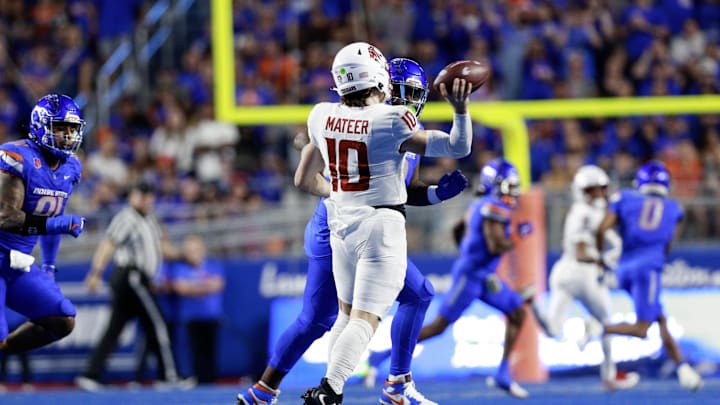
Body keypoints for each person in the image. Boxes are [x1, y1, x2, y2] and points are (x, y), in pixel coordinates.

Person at [238, 57, 468, 405]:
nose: (409, 99)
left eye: (414, 92)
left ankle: (393, 384)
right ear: (381, 86)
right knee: (321, 318)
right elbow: (304, 178)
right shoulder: (365, 119)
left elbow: (407, 188)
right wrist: (349, 193)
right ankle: (274, 389)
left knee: (414, 294)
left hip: (357, 221)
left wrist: (436, 194)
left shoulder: (395, 123)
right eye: (402, 90)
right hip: (338, 223)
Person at [410, 158, 534, 399]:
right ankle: (382, 355)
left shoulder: (482, 204)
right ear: (495, 184)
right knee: (438, 327)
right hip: (470, 276)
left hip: (483, 274)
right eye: (509, 185)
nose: (513, 190)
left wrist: (467, 250)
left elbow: (459, 228)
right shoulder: (493, 207)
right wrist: (519, 235)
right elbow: (496, 245)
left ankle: (503, 374)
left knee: (518, 312)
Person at [528, 164, 639, 390]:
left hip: (564, 272)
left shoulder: (586, 212)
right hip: (583, 273)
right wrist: (603, 259)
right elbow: (581, 249)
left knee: (551, 329)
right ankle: (609, 374)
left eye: (601, 189)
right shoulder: (583, 213)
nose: (599, 194)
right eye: (594, 190)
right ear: (583, 191)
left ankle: (532, 303)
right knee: (607, 324)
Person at [596, 160, 704, 391]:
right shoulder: (674, 208)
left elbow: (602, 228)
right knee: (642, 328)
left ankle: (683, 368)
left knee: (660, 318)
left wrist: (600, 257)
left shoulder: (624, 198)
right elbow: (667, 245)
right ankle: (596, 328)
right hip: (648, 270)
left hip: (622, 268)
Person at [75, 181, 185, 391]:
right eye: (140, 194)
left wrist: (184, 256)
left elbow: (161, 249)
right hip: (131, 276)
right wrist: (96, 272)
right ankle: (169, 376)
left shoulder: (150, 219)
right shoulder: (127, 217)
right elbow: (109, 244)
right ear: (133, 196)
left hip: (138, 279)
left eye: (148, 195)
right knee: (158, 323)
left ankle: (90, 374)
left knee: (115, 328)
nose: (145, 199)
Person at [0, 94, 85, 363]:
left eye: (72, 129)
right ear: (41, 126)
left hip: (17, 265)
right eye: (61, 128)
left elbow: (53, 222)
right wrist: (54, 224)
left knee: (62, 318)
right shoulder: (16, 155)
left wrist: (48, 268)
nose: (68, 136)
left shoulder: (71, 167)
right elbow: (4, 216)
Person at [172, 233, 225, 384]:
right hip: (191, 316)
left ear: (202, 249)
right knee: (194, 353)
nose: (193, 253)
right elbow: (181, 288)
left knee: (210, 353)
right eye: (190, 250)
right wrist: (204, 286)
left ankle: (210, 382)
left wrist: (193, 287)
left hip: (211, 316)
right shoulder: (181, 268)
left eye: (195, 249)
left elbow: (218, 285)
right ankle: (197, 381)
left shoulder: (213, 265)